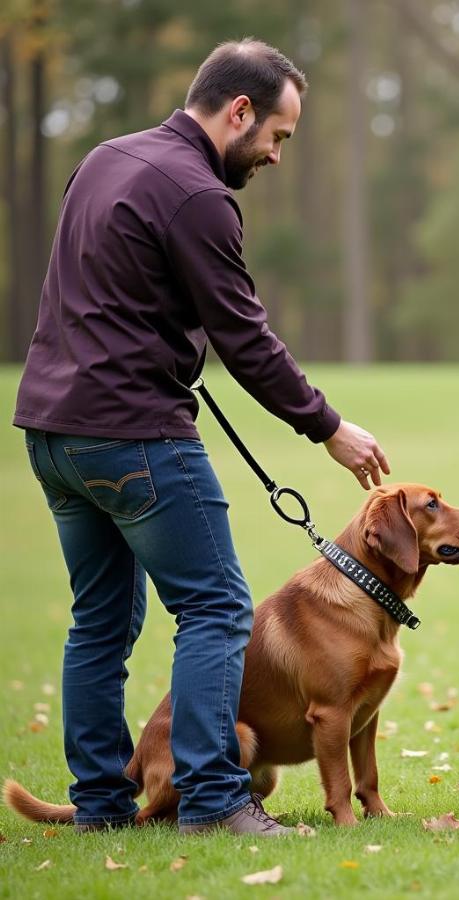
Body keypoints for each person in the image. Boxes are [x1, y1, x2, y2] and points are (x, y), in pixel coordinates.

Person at [13, 39, 390, 836]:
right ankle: (216, 801)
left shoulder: (106, 159)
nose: (278, 155)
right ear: (239, 110)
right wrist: (327, 426)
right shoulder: (197, 194)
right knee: (217, 608)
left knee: (100, 622)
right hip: (134, 436)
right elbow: (244, 337)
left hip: (52, 433)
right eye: (278, 136)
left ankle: (100, 806)